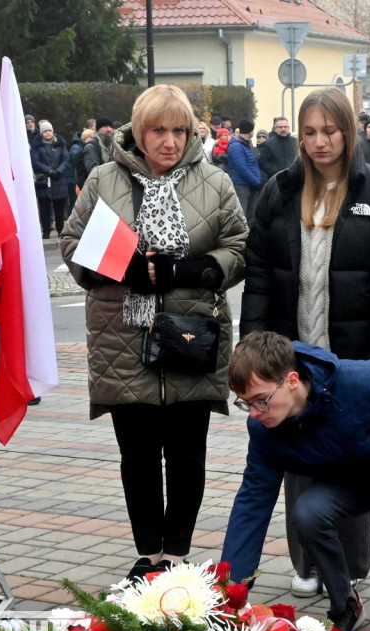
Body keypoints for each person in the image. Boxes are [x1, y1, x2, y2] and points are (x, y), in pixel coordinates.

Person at [60, 84, 248, 581]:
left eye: (179, 130)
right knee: (138, 456)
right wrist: (126, 269)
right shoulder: (103, 179)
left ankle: (178, 554)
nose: (169, 140)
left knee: (187, 454)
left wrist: (184, 273)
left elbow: (240, 248)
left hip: (191, 334)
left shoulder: (215, 181)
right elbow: (73, 243)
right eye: (158, 130)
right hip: (123, 336)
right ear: (139, 133)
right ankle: (148, 554)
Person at [240, 87, 370, 600]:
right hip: (291, 353)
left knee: (351, 454)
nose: (320, 142)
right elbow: (258, 274)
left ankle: (351, 561)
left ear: (348, 131)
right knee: (298, 455)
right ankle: (307, 562)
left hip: (354, 356)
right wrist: (255, 346)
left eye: (329, 131)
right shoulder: (279, 191)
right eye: (310, 132)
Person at [222, 331, 370, 631]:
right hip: (351, 485)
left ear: (292, 381)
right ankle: (345, 603)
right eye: (246, 404)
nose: (254, 413)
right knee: (308, 514)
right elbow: (252, 503)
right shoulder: (265, 428)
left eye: (261, 400)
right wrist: (231, 591)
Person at [31, 121, 69, 239]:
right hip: (44, 180)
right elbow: (35, 161)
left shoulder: (60, 144)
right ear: (41, 133)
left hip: (59, 179)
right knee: (44, 208)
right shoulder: (37, 146)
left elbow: (66, 159)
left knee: (59, 207)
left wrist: (59, 171)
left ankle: (61, 230)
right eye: (45, 131)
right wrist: (48, 171)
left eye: (49, 131)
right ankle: (46, 230)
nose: (48, 133)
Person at [226, 120, 263, 226]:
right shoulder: (236, 146)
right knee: (242, 216)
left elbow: (253, 164)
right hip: (242, 185)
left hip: (251, 184)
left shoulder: (247, 144)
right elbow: (242, 168)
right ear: (251, 131)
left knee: (251, 216)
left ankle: (250, 240)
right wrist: (257, 181)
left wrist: (257, 181)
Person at [257, 117, 298, 183]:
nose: (283, 129)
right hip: (276, 180)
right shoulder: (268, 144)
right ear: (275, 129)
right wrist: (276, 171)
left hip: (294, 179)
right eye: (280, 127)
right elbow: (262, 162)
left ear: (288, 128)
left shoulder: (295, 142)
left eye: (285, 127)